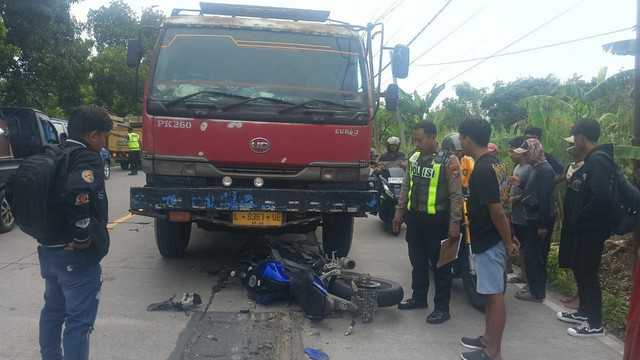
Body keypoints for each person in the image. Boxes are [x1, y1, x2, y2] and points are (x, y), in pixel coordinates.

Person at [38, 105, 113, 360]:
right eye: (104, 136)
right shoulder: (87, 157)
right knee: (79, 324)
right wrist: (83, 239)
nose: (104, 143)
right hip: (75, 257)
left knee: (52, 313)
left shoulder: (56, 152)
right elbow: (77, 195)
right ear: (92, 135)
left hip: (49, 251)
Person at [457, 118, 519, 360]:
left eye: (461, 137)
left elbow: (497, 211)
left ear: (467, 139)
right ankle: (486, 339)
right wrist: (511, 236)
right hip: (493, 238)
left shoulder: (482, 170)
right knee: (490, 294)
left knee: (494, 297)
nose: (460, 141)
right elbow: (504, 205)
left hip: (490, 241)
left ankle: (493, 352)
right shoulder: (497, 164)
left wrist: (507, 242)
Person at [392, 120, 463, 325]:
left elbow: (456, 196)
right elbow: (406, 187)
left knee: (441, 267)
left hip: (438, 222)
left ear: (433, 137)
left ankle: (442, 308)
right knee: (418, 262)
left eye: (420, 139)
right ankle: (419, 298)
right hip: (415, 219)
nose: (416, 144)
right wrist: (399, 213)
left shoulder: (449, 161)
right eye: (414, 139)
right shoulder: (413, 157)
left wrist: (454, 225)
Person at [557, 118, 613, 337]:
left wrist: (581, 216)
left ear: (580, 137)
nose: (573, 142)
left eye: (574, 137)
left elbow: (602, 198)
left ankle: (595, 324)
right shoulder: (593, 159)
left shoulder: (598, 160)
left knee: (588, 273)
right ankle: (584, 312)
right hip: (586, 226)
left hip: (593, 227)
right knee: (581, 268)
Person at [510, 138, 556, 302]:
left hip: (538, 220)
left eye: (527, 153)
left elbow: (545, 199)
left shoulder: (545, 170)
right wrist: (521, 184)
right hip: (532, 217)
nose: (525, 156)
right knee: (531, 255)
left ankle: (537, 293)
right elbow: (534, 191)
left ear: (534, 152)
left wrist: (543, 225)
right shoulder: (537, 168)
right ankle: (533, 288)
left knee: (536, 257)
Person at [558, 136, 585, 310]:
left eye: (572, 144)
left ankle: (582, 297)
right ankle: (578, 293)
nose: (569, 147)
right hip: (569, 219)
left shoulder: (587, 168)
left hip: (581, 222)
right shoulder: (569, 168)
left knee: (581, 260)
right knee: (573, 259)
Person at [506, 136, 531, 284]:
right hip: (515, 214)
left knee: (526, 246)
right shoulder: (517, 167)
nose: (510, 155)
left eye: (512, 151)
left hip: (524, 214)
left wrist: (516, 199)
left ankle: (527, 275)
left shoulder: (528, 168)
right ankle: (523, 273)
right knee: (520, 244)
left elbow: (531, 190)